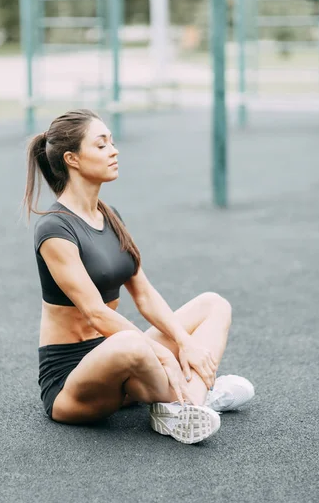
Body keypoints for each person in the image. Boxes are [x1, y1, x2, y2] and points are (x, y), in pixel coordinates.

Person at [22, 109, 254, 445]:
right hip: (71, 382)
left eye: (112, 143)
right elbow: (95, 312)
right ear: (72, 159)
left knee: (213, 305)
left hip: (118, 356)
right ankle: (195, 398)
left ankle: (186, 404)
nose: (114, 151)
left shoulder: (110, 216)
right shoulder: (54, 228)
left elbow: (143, 294)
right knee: (131, 342)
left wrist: (184, 343)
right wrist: (163, 355)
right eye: (101, 146)